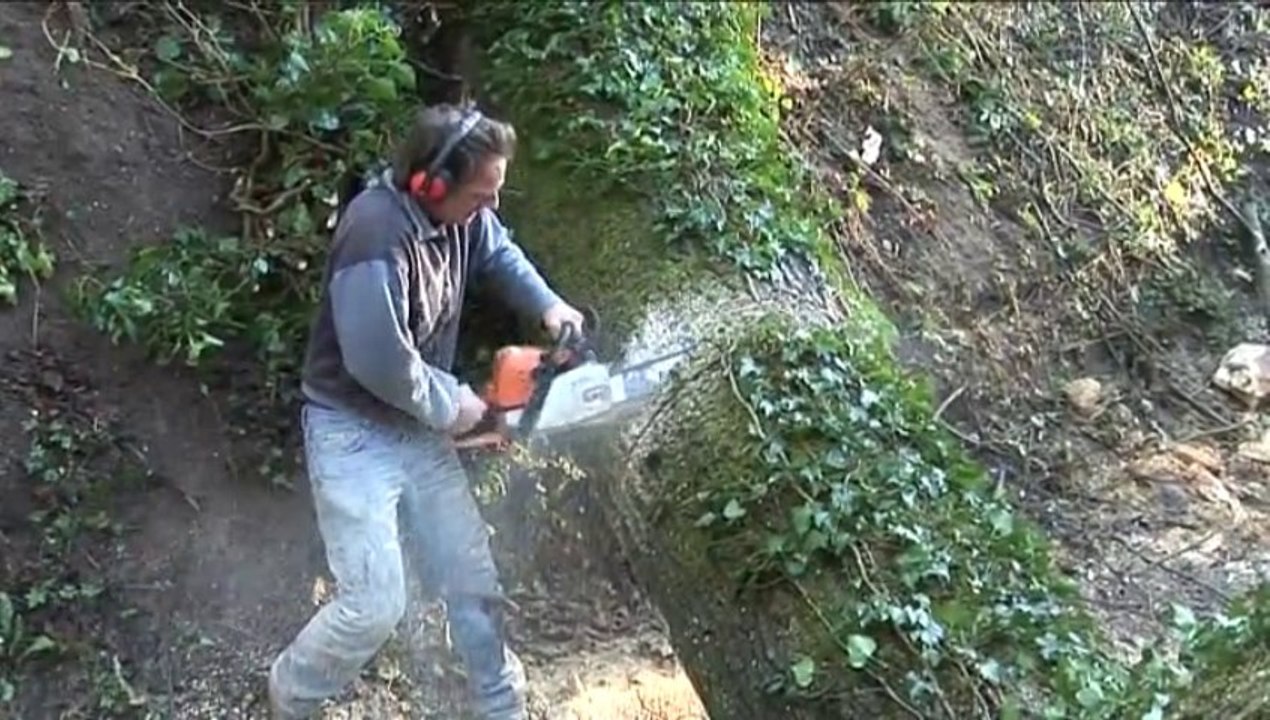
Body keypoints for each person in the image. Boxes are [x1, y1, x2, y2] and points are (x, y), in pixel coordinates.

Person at [268, 102, 584, 719]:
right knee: (374, 602)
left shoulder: (465, 217)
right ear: (430, 183)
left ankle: (502, 706)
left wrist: (551, 308)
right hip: (351, 431)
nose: (487, 206)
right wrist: (459, 405)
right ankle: (292, 694)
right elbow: (379, 361)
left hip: (418, 427)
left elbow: (498, 251)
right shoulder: (374, 232)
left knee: (472, 577)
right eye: (478, 193)